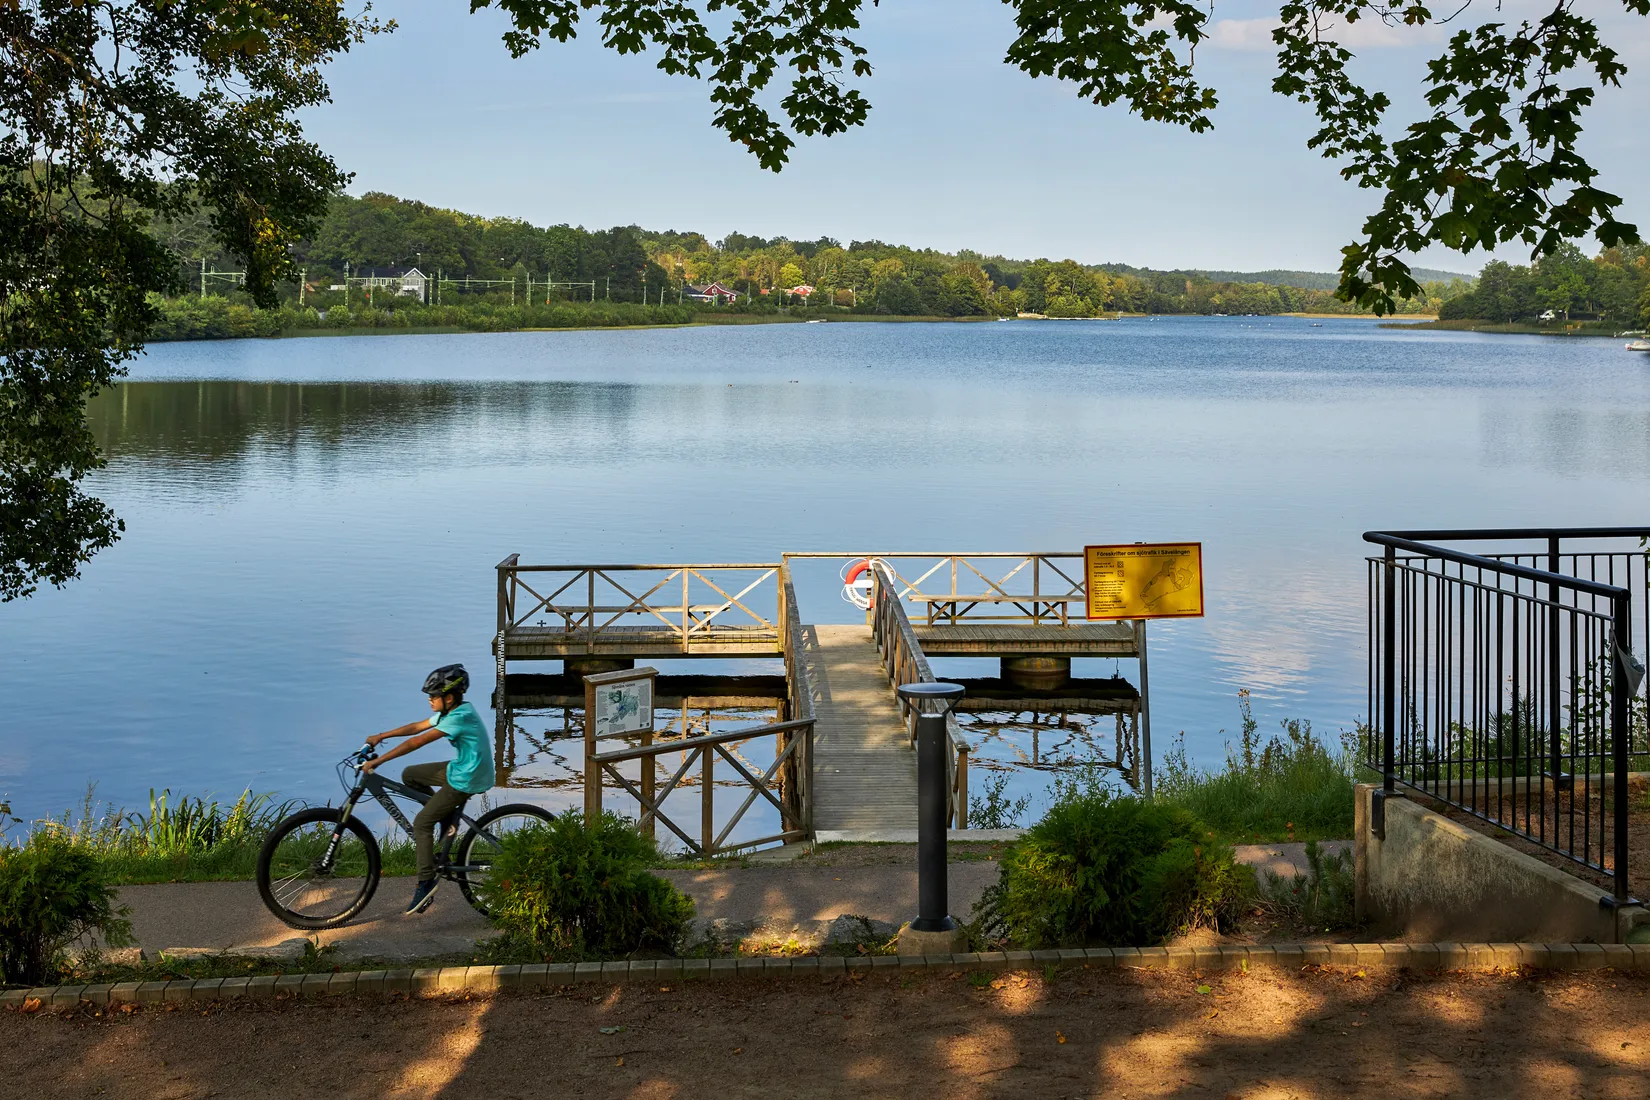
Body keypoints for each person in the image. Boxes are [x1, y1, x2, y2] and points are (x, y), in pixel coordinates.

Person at [363, 664, 494, 914]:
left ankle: (426, 883)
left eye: (433, 696)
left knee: (422, 823)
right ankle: (445, 817)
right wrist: (382, 736)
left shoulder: (458, 717)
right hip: (463, 766)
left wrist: (378, 762)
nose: (430, 701)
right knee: (410, 775)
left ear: (449, 697)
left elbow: (417, 741)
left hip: (468, 776)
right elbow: (416, 727)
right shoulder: (451, 711)